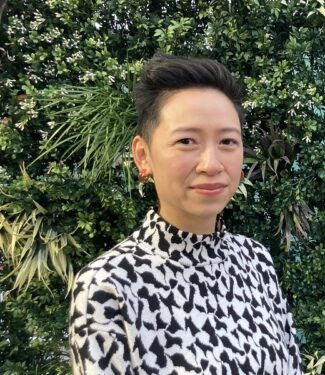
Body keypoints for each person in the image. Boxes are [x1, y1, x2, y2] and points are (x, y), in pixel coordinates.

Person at [68, 54, 303, 374]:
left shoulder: (256, 260)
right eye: (187, 140)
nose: (211, 163)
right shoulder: (108, 286)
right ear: (143, 156)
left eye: (227, 141)